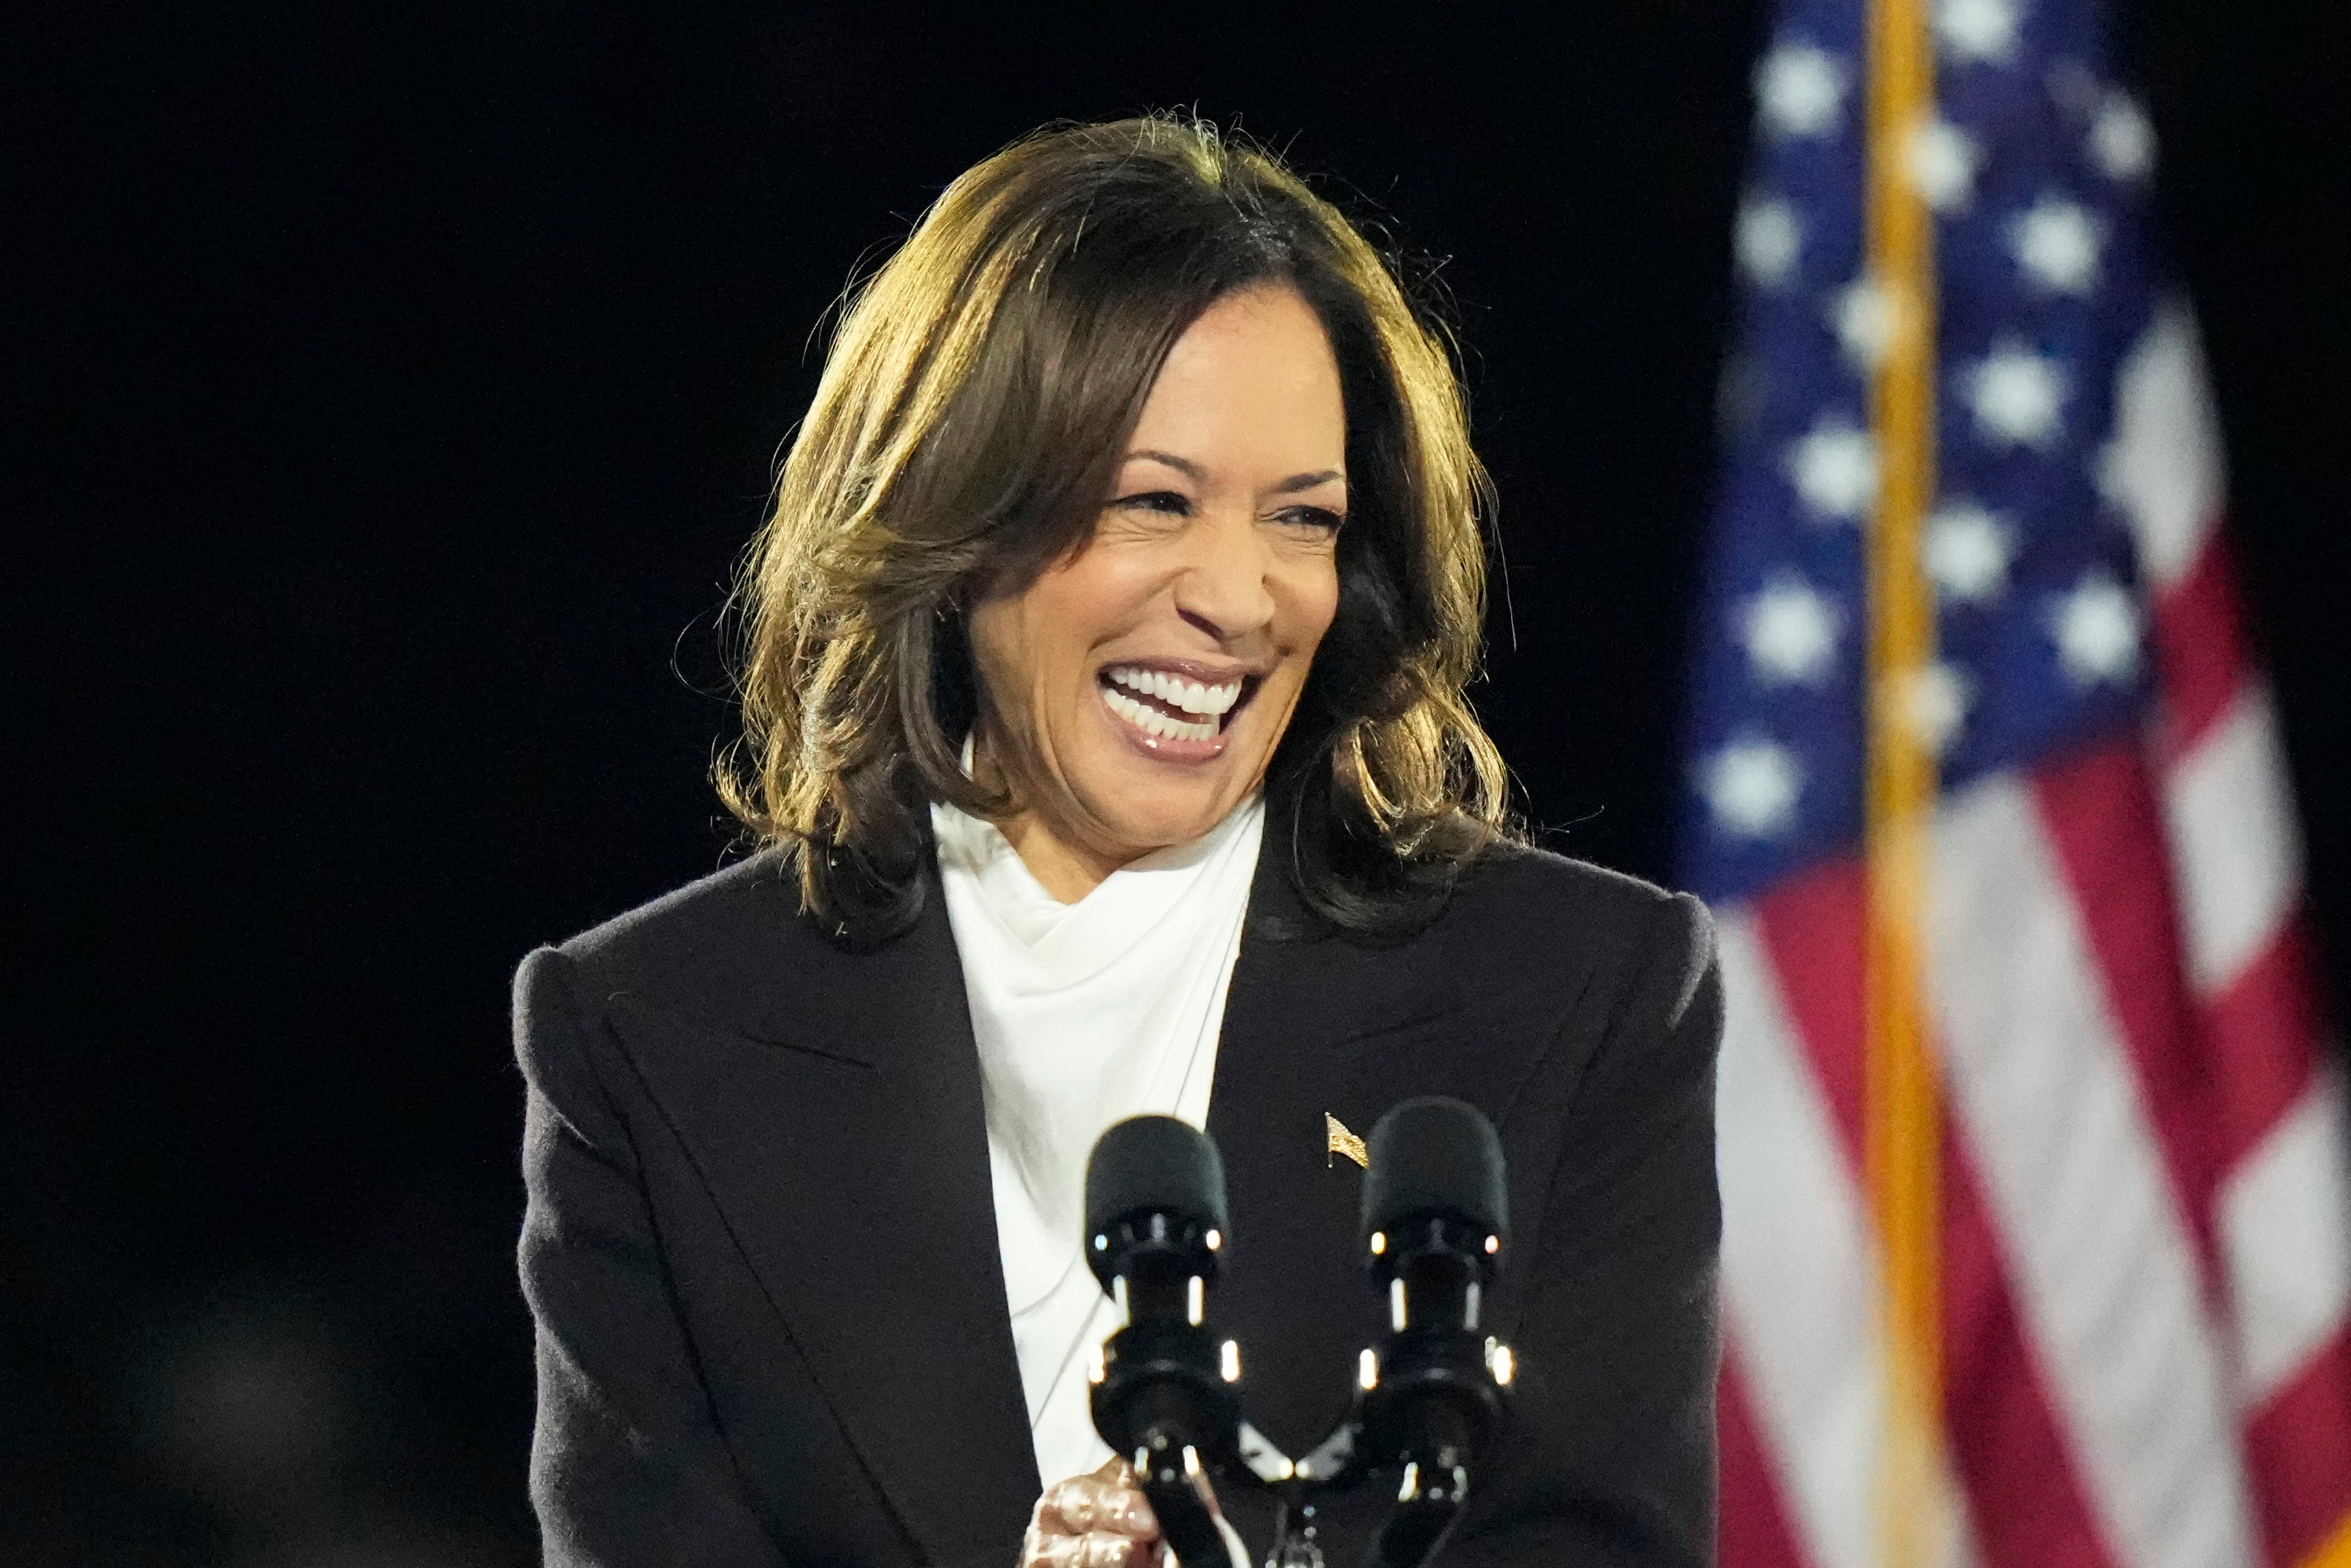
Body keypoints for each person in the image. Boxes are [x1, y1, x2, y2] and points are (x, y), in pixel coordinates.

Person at [513, 115, 1721, 1568]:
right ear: (954, 514)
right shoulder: (652, 1035)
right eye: (1152, 500)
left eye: (1301, 518)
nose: (1239, 595)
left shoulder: (1577, 989)